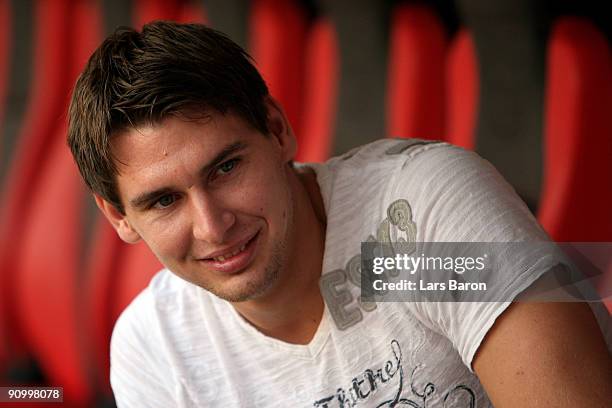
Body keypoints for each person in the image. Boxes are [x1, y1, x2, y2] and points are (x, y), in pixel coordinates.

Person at [67, 21, 611, 407]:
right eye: (164, 200)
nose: (213, 226)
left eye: (226, 169)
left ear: (277, 131)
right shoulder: (157, 347)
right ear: (118, 217)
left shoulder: (411, 228)